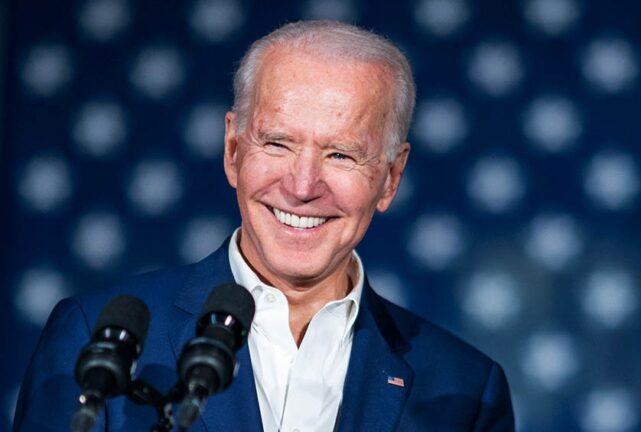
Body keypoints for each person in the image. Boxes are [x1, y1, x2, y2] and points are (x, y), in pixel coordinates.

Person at [13, 20, 515, 431]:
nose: (302, 185)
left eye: (341, 154)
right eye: (277, 143)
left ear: (390, 178)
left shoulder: (465, 391)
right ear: (233, 151)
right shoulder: (96, 338)